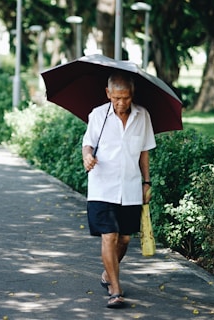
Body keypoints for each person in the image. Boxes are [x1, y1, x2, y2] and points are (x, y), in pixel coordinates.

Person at [81, 72, 156, 309]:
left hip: (131, 186)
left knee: (124, 239)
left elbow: (144, 152)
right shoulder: (98, 115)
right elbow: (87, 144)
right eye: (116, 98)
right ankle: (115, 289)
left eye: (125, 97)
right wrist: (87, 156)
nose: (121, 103)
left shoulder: (142, 115)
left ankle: (108, 273)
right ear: (108, 94)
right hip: (102, 186)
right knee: (109, 236)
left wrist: (147, 182)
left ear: (132, 94)